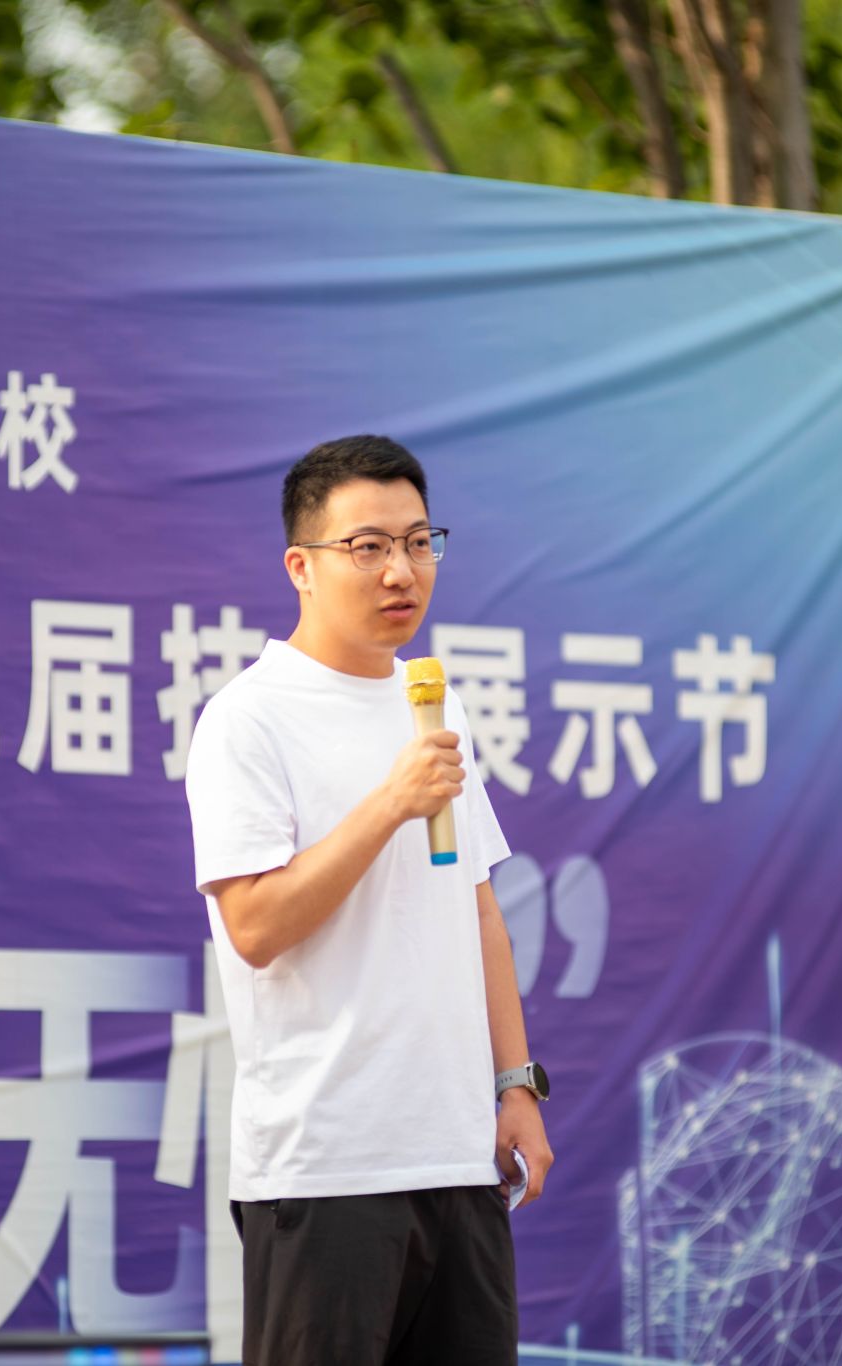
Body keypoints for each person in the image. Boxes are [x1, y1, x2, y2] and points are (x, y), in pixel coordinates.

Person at [185, 434, 554, 1365]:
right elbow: (255, 926)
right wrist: (390, 804)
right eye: (369, 547)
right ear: (300, 566)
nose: (402, 570)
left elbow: (477, 910)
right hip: (327, 1170)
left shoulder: (435, 706)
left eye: (420, 542)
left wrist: (514, 1085)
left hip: (458, 1158)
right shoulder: (247, 718)